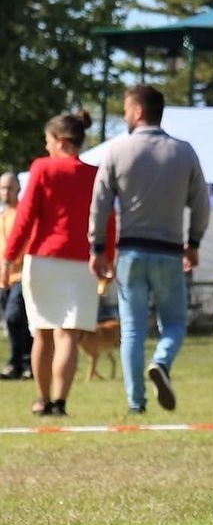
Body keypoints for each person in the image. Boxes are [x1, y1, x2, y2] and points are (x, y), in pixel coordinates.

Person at [88, 84, 210, 414]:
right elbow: (201, 203)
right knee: (173, 323)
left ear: (138, 112)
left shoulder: (116, 151)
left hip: (129, 252)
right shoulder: (184, 152)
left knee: (131, 330)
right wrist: (194, 242)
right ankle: (162, 362)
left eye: (126, 110)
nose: (125, 116)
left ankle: (135, 402)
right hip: (169, 251)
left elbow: (100, 203)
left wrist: (97, 247)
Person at [0, 113, 111, 416]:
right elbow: (107, 218)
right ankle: (60, 403)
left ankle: (41, 398)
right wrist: (107, 256)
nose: (46, 147)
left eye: (48, 141)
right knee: (68, 337)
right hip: (82, 264)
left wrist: (8, 258)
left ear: (61, 141)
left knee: (42, 334)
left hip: (43, 261)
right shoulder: (95, 175)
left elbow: (25, 219)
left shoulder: (42, 168)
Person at [0, 172, 33, 379]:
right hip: (3, 278)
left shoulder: (24, 213)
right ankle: (21, 365)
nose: (5, 192)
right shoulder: (2, 216)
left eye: (9, 188)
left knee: (15, 318)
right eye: (2, 188)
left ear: (18, 189)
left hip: (21, 274)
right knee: (12, 321)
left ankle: (21, 361)